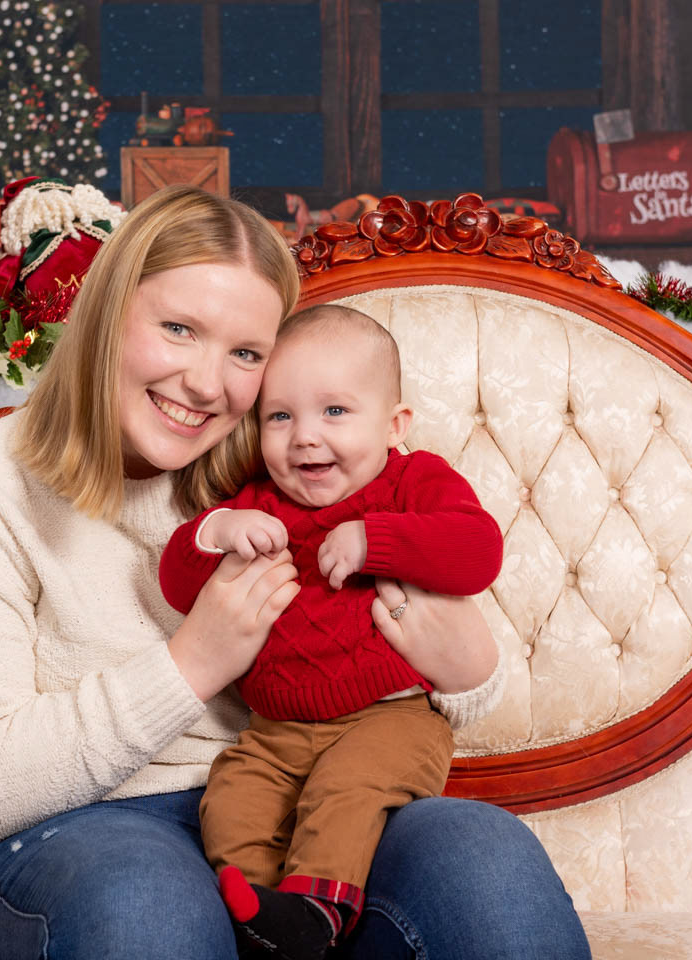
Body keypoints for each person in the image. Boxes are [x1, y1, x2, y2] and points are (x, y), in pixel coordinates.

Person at [0, 184, 590, 960]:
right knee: (147, 908)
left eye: (246, 355)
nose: (206, 383)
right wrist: (192, 664)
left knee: (487, 860)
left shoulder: (280, 464)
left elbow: (408, 622)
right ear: (106, 314)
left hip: (313, 800)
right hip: (95, 828)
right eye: (178, 329)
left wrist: (471, 674)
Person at [159, 305, 503, 959]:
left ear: (394, 425)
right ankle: (262, 919)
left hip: (390, 719)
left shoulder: (412, 481)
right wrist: (216, 531)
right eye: (280, 417)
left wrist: (376, 539)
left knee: (346, 790)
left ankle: (318, 910)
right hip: (275, 730)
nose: (305, 438)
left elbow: (479, 550)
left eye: (335, 412)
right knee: (232, 797)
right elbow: (178, 585)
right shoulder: (260, 503)